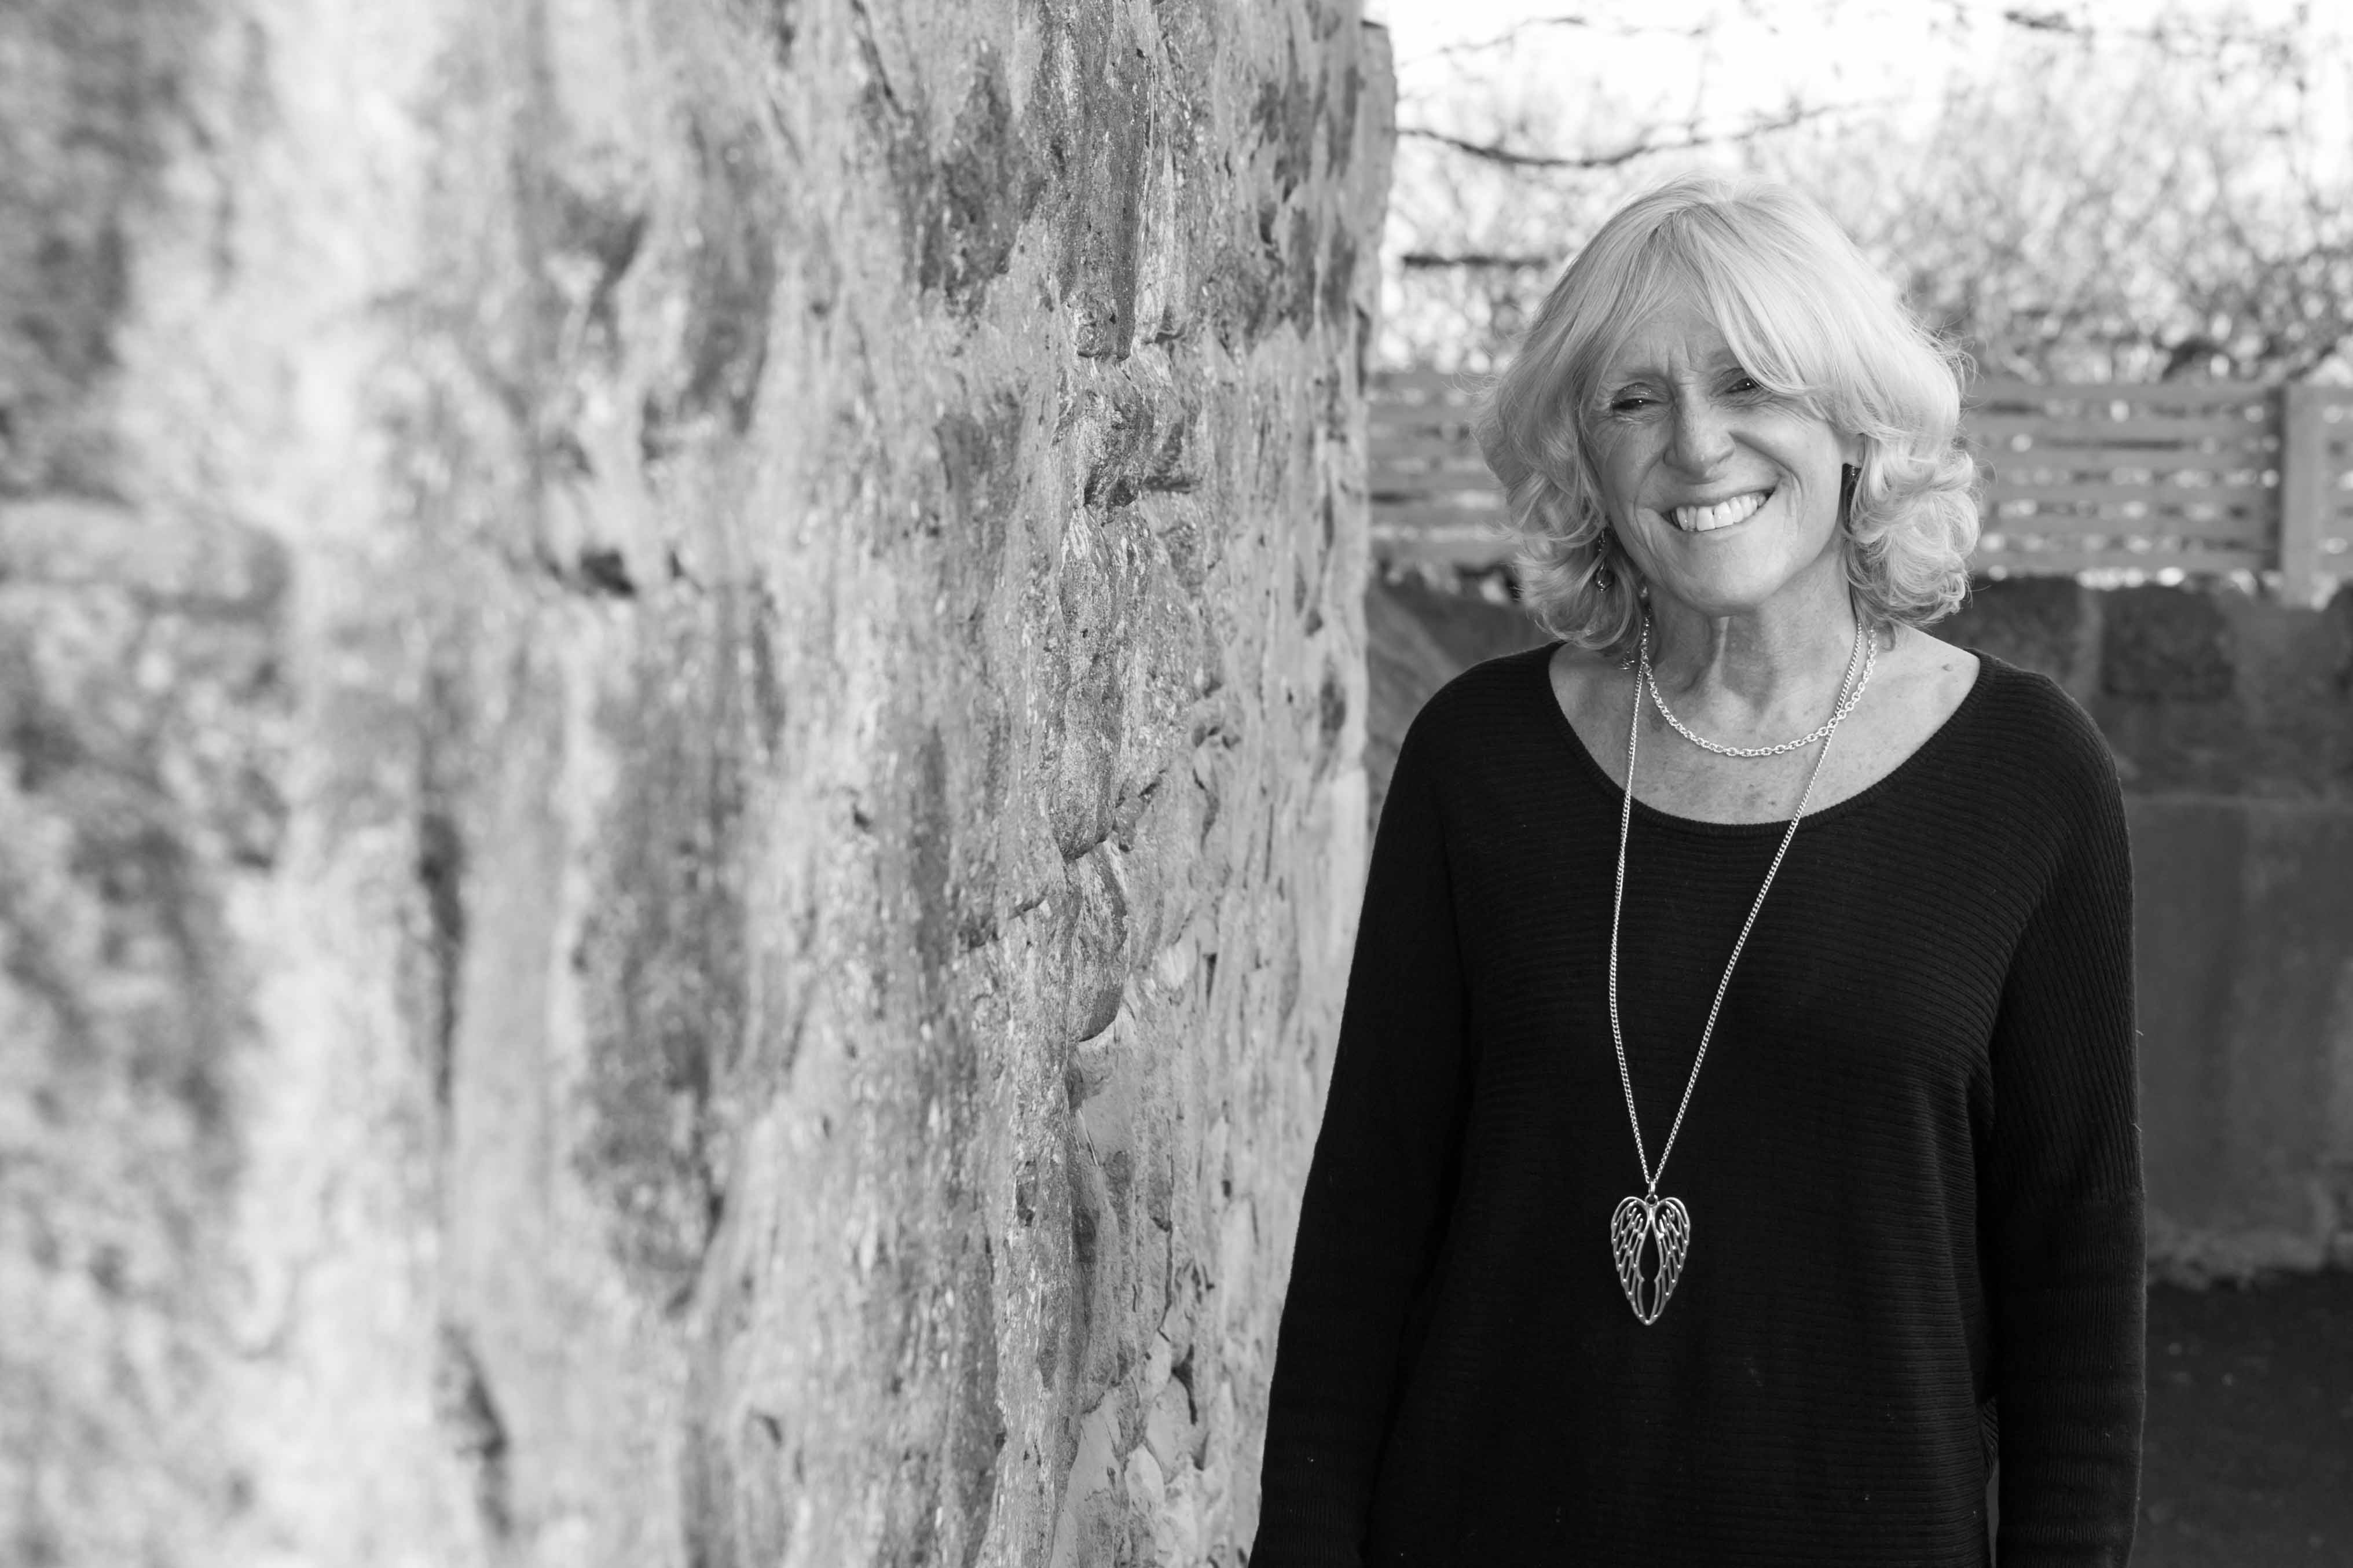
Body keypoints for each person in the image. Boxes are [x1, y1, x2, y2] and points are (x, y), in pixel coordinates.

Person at [1251, 175, 2143, 1565]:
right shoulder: (1477, 761)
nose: (1695, 443)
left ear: (1853, 419)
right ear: (1583, 458)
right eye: (1633, 399)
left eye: (1749, 383)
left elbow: (2075, 1280)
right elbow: (1366, 1226)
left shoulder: (2028, 775)